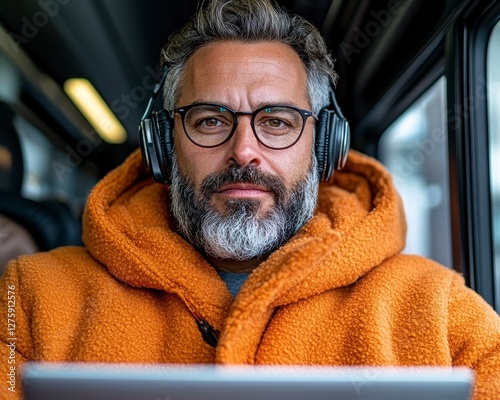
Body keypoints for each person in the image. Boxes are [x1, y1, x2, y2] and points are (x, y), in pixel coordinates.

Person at [1, 0, 500, 399]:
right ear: (163, 146)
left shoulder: (441, 312)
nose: (244, 152)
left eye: (278, 122)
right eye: (210, 120)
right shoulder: (28, 300)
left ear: (324, 148)